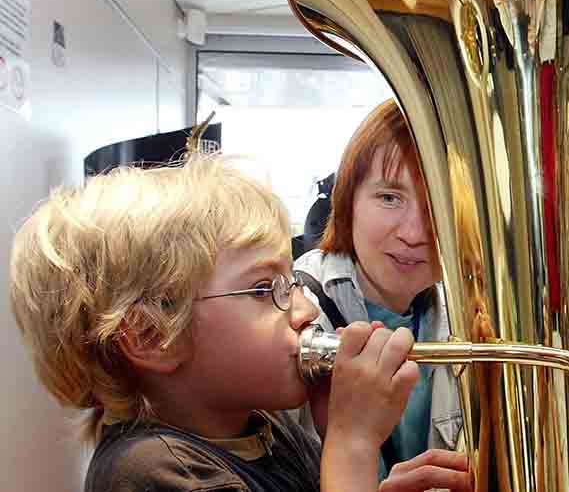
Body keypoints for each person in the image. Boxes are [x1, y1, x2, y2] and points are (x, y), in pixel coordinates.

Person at [8, 154, 471, 492]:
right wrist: (352, 445)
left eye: (290, 283)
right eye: (264, 289)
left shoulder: (264, 427)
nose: (306, 310)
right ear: (154, 336)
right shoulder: (154, 472)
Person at [294, 100, 463, 479]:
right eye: (390, 198)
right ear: (347, 201)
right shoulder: (293, 315)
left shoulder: (466, 317)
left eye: (439, 203)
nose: (414, 234)